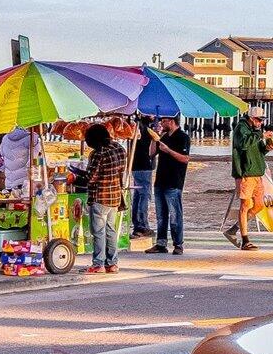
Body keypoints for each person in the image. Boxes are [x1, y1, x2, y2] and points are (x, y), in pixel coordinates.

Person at [82, 121, 131, 273]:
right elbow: (122, 171)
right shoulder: (120, 148)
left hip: (100, 197)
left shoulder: (99, 153)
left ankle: (98, 264)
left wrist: (78, 175)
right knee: (111, 230)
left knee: (99, 232)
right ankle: (112, 263)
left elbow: (91, 177)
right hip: (115, 196)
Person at [229, 110, 273, 247]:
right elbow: (243, 144)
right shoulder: (241, 128)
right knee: (245, 206)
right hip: (245, 173)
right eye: (259, 119)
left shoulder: (255, 130)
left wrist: (267, 147)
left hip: (257, 172)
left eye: (262, 120)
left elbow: (258, 150)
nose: (261, 123)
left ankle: (234, 229)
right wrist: (261, 135)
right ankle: (245, 240)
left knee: (259, 205)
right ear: (251, 118)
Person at [152, 116, 192, 256]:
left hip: (174, 181)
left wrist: (168, 150)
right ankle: (161, 243)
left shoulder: (183, 137)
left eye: (164, 121)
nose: (162, 123)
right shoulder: (163, 137)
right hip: (160, 180)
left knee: (175, 215)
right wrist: (155, 138)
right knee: (161, 215)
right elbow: (151, 153)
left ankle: (178, 244)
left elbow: (185, 159)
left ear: (171, 121)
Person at [129, 115, 156, 244]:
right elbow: (151, 150)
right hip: (143, 165)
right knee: (144, 195)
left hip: (136, 165)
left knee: (138, 196)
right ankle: (142, 225)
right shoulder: (142, 128)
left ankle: (137, 224)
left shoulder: (140, 127)